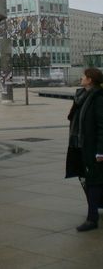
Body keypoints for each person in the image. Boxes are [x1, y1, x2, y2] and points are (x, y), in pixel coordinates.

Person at [66, 67, 103, 232]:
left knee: (93, 180)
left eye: (83, 76)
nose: (81, 78)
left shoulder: (98, 98)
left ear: (90, 79)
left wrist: (100, 151)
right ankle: (95, 209)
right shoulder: (81, 95)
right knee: (84, 177)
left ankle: (92, 217)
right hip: (78, 144)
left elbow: (102, 127)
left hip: (91, 146)